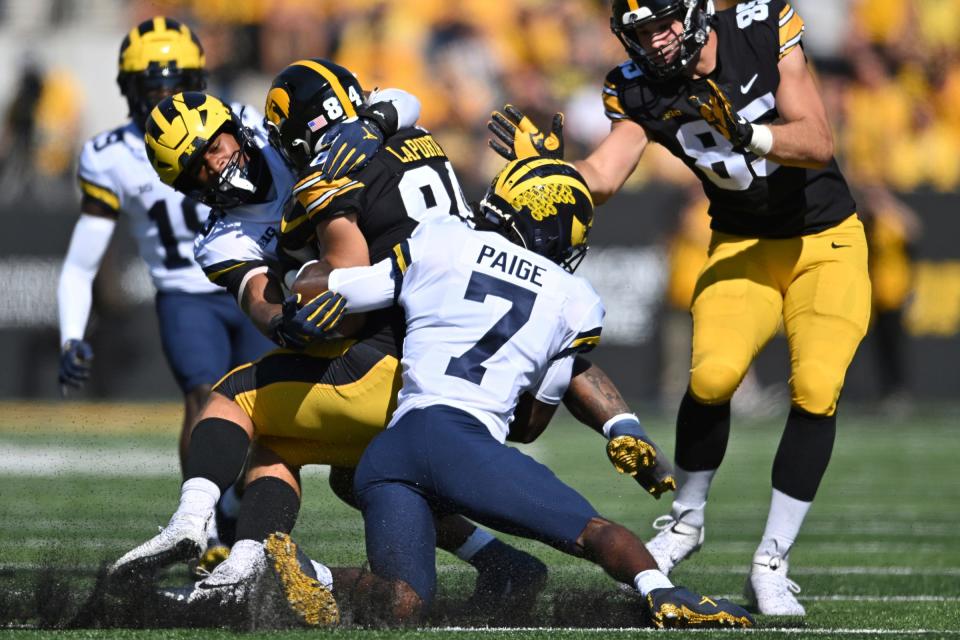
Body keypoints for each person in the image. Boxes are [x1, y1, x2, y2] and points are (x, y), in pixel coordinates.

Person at [112, 65, 546, 624]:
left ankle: (195, 523)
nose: (215, 166)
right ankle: (499, 561)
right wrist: (282, 320)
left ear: (236, 129)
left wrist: (370, 121)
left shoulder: (288, 137)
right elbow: (261, 299)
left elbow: (397, 101)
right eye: (196, 169)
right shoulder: (223, 239)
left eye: (214, 147)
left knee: (237, 394)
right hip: (439, 328)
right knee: (348, 468)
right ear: (184, 187)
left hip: (401, 332)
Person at [488, 0, 871, 617]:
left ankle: (772, 560)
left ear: (693, 12)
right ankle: (686, 522)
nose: (657, 39)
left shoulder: (760, 26)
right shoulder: (638, 89)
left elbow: (818, 141)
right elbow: (606, 174)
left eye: (663, 22)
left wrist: (748, 133)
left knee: (818, 386)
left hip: (825, 240)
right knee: (712, 377)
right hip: (741, 243)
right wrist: (546, 171)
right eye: (640, 30)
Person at [295, 157, 754, 629]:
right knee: (595, 532)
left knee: (401, 603)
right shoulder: (571, 298)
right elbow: (530, 428)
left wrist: (278, 277)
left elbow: (335, 290)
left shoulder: (441, 241)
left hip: (390, 453)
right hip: (461, 445)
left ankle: (310, 573)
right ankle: (663, 592)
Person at [56, 18, 273, 540]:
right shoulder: (110, 155)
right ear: (130, 92)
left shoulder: (238, 123)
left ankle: (254, 529)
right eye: (152, 89)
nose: (165, 99)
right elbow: (84, 258)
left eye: (176, 86)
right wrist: (71, 329)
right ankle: (205, 528)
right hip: (184, 292)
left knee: (264, 411)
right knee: (203, 396)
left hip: (254, 279)